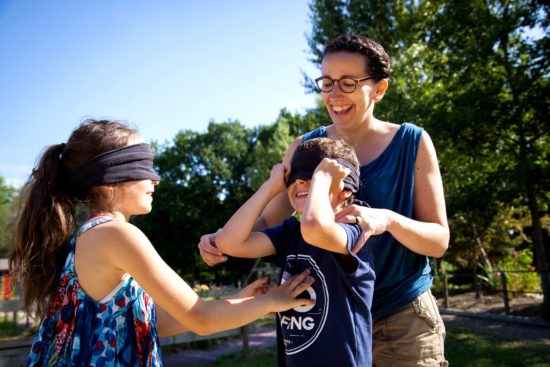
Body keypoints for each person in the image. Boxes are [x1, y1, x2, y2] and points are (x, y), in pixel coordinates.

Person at [199, 34, 450, 366]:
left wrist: (387, 219)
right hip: (331, 318)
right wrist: (220, 240)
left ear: (379, 89)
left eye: (348, 83)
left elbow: (438, 240)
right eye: (327, 82)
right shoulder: (306, 148)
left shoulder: (413, 142)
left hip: (401, 315)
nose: (334, 94)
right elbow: (267, 222)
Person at [9, 118, 315, 367]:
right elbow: (201, 319)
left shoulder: (94, 235)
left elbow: (154, 322)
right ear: (111, 176)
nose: (155, 180)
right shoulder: (116, 234)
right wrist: (273, 300)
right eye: (143, 167)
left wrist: (244, 299)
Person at [214, 137, 375, 367]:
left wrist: (320, 181)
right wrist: (271, 186)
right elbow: (229, 243)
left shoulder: (356, 232)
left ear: (345, 191)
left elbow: (315, 229)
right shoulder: (291, 233)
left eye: (311, 178)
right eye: (295, 178)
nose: (301, 183)